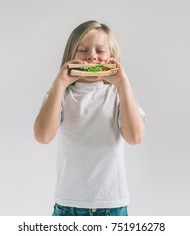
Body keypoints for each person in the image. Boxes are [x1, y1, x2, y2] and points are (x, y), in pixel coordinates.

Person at [34, 20, 146, 216]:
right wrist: (60, 83)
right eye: (83, 50)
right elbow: (43, 136)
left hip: (111, 204)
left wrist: (123, 84)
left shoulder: (118, 94)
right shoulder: (61, 94)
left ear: (112, 57)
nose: (92, 56)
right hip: (68, 205)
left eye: (100, 51)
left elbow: (135, 137)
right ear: (70, 56)